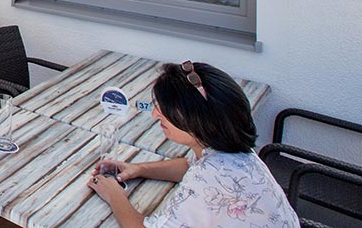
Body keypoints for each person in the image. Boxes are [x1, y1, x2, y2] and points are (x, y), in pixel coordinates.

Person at [88, 61, 298, 228]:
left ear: (198, 120)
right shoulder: (230, 151)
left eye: (165, 110)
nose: (155, 114)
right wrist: (138, 169)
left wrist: (114, 195)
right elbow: (188, 166)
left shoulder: (208, 178)